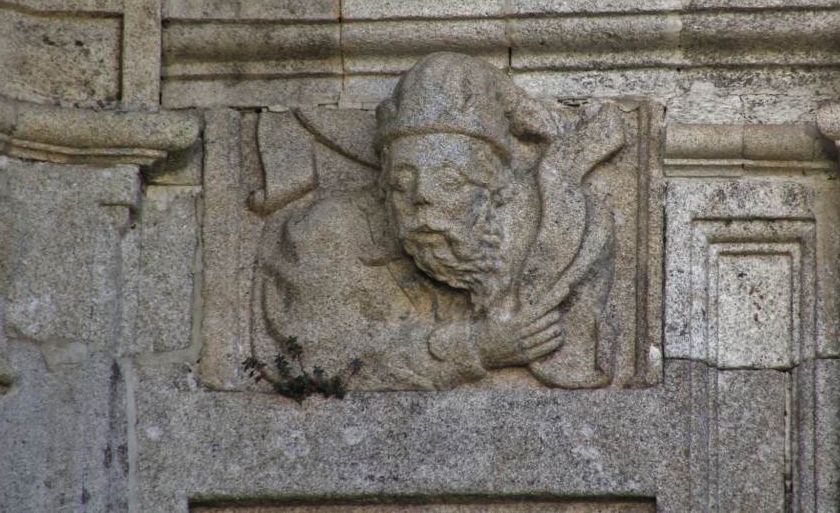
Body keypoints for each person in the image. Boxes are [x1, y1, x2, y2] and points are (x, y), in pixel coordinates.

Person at [258, 52, 619, 390]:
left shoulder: (544, 235)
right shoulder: (332, 231)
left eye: (449, 180)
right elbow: (319, 348)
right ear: (384, 185)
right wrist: (475, 347)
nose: (420, 196)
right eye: (402, 180)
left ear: (494, 189)